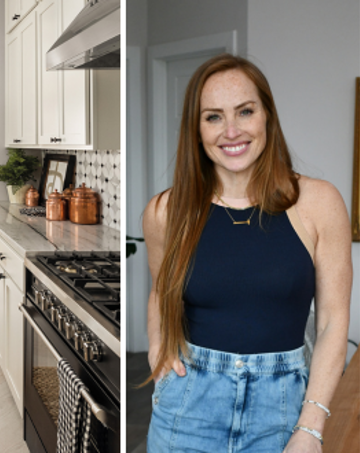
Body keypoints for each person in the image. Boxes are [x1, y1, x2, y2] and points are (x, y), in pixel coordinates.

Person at [142, 53, 351, 453]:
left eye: (245, 111)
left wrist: (311, 425)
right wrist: (157, 346)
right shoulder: (165, 212)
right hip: (188, 407)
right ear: (196, 128)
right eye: (214, 116)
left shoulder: (319, 204)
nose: (231, 130)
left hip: (282, 412)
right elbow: (159, 292)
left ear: (267, 117)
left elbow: (332, 322)